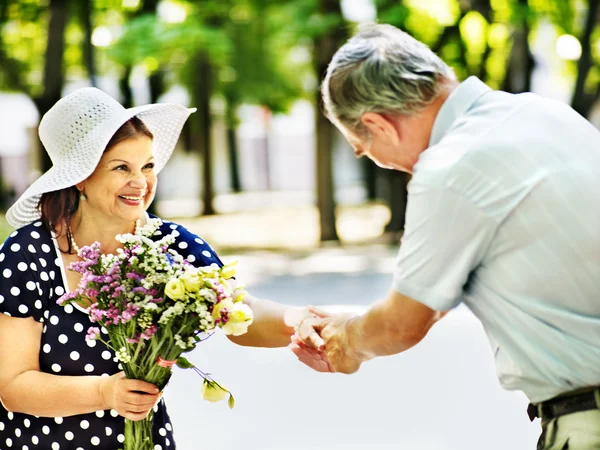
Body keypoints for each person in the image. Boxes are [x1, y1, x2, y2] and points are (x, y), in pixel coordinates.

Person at [292, 23, 600, 450]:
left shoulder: (451, 168)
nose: (379, 162)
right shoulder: (545, 114)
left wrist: (347, 340)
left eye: (362, 149)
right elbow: (433, 299)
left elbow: (403, 324)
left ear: (378, 125)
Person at [0, 87, 315, 450]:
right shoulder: (29, 253)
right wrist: (106, 392)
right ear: (81, 178)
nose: (141, 182)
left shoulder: (168, 242)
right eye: (122, 168)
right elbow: (13, 385)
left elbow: (239, 311)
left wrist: (299, 320)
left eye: (148, 165)